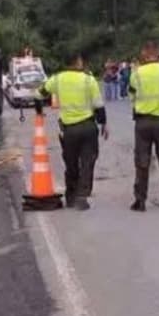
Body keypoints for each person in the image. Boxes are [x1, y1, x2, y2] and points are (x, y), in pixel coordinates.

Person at [36, 54, 107, 210]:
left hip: (69, 130)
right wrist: (104, 124)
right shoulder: (89, 80)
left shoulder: (57, 79)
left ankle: (71, 196)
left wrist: (39, 111)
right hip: (88, 127)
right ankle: (82, 196)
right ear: (78, 62)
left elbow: (39, 94)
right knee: (88, 162)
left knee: (71, 164)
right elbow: (98, 105)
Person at [129, 41, 159, 212]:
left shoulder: (137, 73)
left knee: (142, 161)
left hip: (143, 122)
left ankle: (140, 200)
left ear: (144, 53)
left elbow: (132, 94)